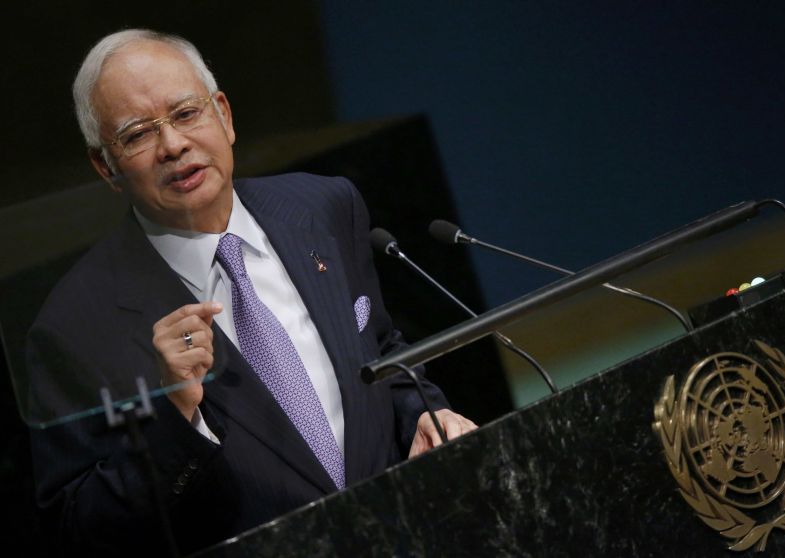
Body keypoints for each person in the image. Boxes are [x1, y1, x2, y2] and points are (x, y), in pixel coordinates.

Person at [26, 28, 476, 556]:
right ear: (106, 167)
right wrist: (177, 417)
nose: (173, 145)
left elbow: (378, 353)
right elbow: (79, 530)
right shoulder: (75, 326)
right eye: (137, 135)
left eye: (186, 113)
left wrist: (421, 413)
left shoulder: (324, 208)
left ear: (224, 115)